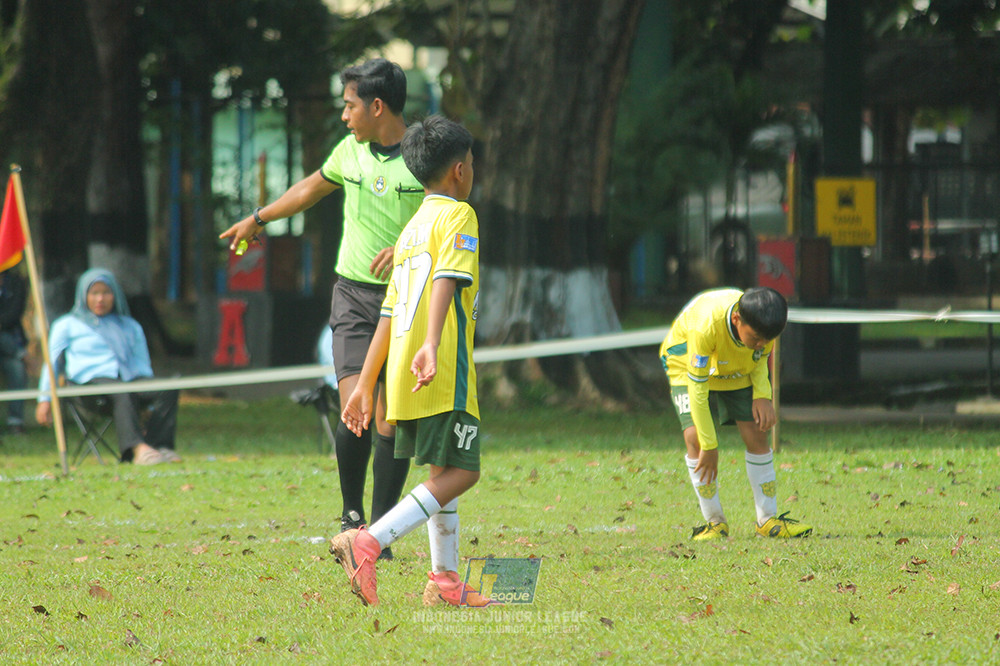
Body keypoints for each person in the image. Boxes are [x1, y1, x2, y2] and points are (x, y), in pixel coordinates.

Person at [220, 58, 421, 554]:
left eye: (350, 105)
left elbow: (450, 212)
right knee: (355, 407)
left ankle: (381, 532)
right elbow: (311, 187)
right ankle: (352, 517)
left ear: (377, 106)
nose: (344, 115)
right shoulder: (350, 151)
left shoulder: (423, 153)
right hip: (353, 296)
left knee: (391, 419)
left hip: (405, 298)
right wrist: (258, 218)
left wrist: (408, 247)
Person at [331, 115, 491, 608]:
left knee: (445, 469)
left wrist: (366, 383)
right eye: (471, 164)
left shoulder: (411, 228)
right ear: (460, 170)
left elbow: (388, 309)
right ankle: (369, 540)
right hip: (439, 369)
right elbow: (447, 277)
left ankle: (444, 582)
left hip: (402, 375)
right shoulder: (458, 216)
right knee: (464, 472)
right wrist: (433, 341)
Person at [659, 287, 812, 540]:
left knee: (757, 432)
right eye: (756, 338)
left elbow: (760, 358)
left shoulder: (763, 326)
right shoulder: (705, 326)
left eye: (768, 339)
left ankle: (767, 520)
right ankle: (714, 522)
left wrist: (762, 395)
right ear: (736, 319)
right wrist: (710, 445)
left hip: (736, 367)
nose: (762, 344)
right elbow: (697, 389)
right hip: (686, 364)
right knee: (695, 438)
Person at [35, 268, 180, 466]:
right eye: (94, 293)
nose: (100, 299)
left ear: (115, 295)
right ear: (83, 295)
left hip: (128, 380)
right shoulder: (67, 325)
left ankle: (159, 446)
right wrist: (45, 399)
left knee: (168, 388)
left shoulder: (130, 326)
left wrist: (148, 396)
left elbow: (142, 364)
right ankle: (137, 449)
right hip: (88, 385)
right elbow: (51, 363)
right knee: (122, 391)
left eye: (106, 292)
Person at [0, 268, 28, 434]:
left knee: (17, 368)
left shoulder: (15, 282)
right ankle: (21, 354)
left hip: (9, 347)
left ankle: (15, 421)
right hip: (11, 347)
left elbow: (15, 313)